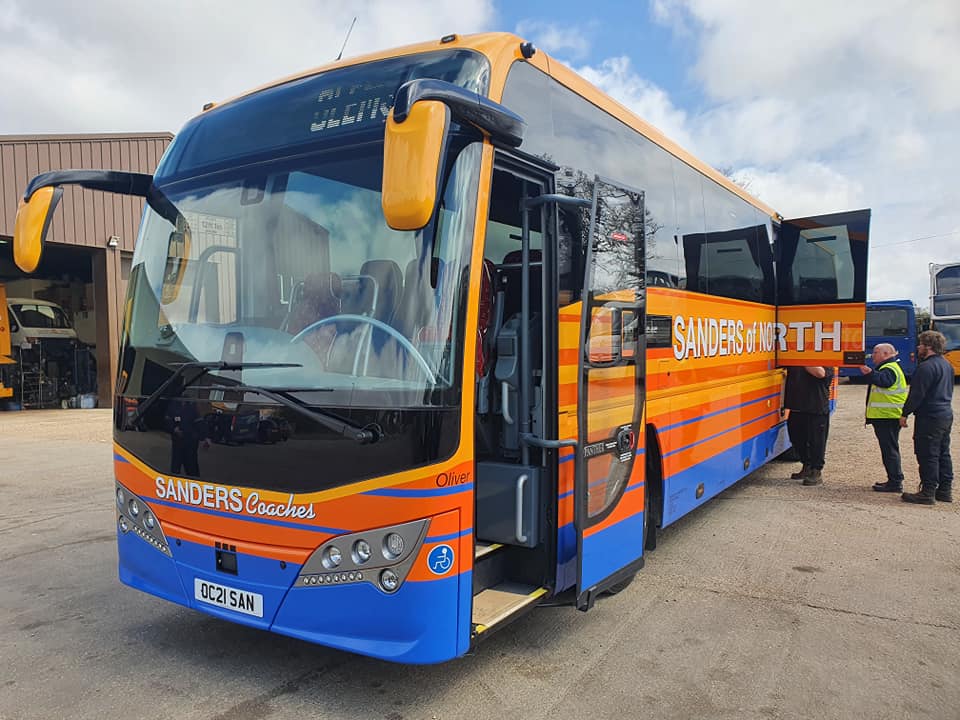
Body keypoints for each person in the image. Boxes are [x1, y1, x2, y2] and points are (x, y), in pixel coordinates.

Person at [899, 330, 954, 504]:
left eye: (920, 344)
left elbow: (917, 394)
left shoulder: (925, 367)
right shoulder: (947, 365)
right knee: (943, 453)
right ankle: (944, 490)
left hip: (929, 416)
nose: (918, 347)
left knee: (927, 453)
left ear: (928, 346)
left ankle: (927, 492)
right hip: (945, 414)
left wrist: (904, 413)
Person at [860, 343, 908, 492]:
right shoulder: (890, 367)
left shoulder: (889, 368)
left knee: (889, 450)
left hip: (887, 417)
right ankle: (894, 479)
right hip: (888, 416)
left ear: (886, 354)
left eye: (875, 352)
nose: (872, 355)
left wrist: (869, 372)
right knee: (889, 449)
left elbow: (884, 381)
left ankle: (895, 482)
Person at [784, 365, 834, 486]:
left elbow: (820, 373)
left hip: (816, 407)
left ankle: (816, 471)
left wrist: (801, 360)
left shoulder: (826, 360)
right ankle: (806, 465)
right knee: (796, 438)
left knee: (817, 441)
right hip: (797, 406)